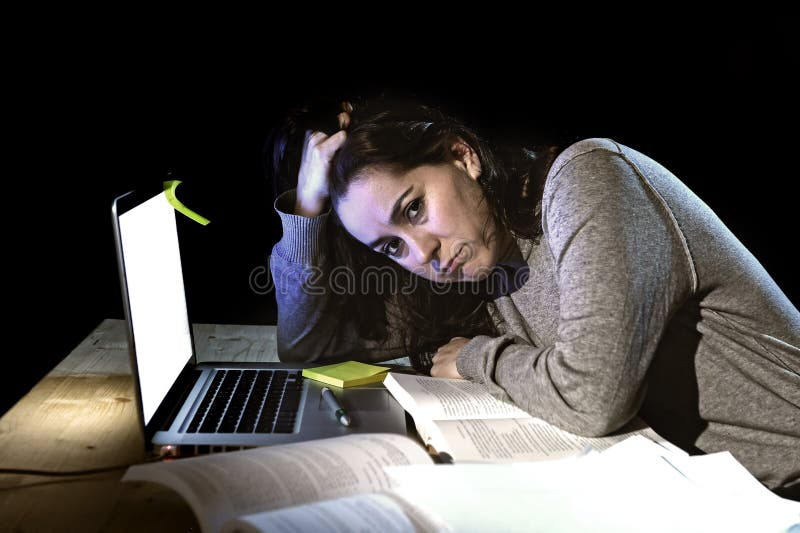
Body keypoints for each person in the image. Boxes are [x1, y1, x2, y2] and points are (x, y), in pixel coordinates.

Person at [265, 97, 800, 498]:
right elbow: (310, 347)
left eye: (414, 210)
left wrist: (475, 358)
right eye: (391, 245)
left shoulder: (589, 177)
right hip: (698, 490)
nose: (421, 250)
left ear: (461, 155)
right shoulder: (474, 273)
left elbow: (593, 398)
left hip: (786, 483)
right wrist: (306, 214)